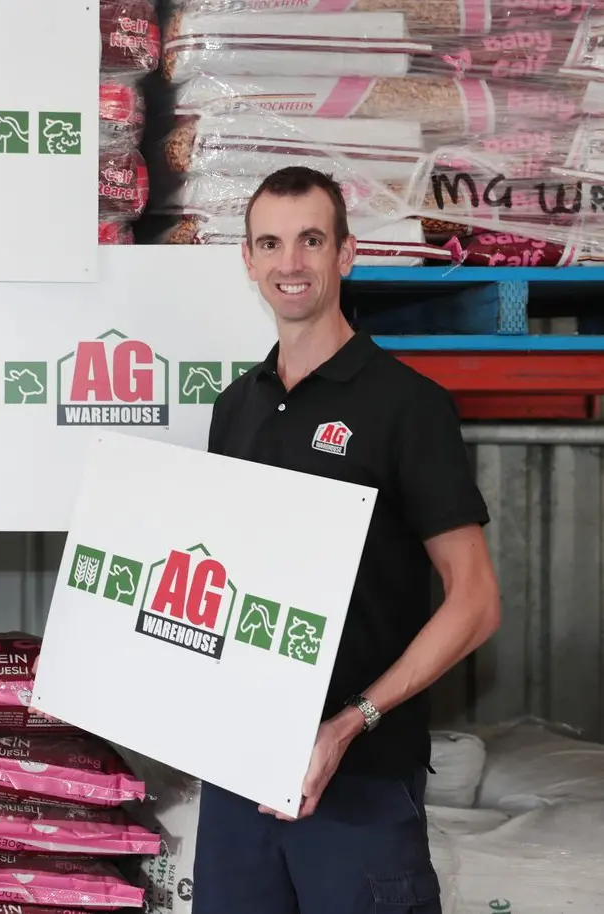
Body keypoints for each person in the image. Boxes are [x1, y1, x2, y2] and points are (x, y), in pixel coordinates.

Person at [193, 165, 502, 913]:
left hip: (359, 780)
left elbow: (475, 602)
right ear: (247, 260)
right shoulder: (235, 407)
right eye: (269, 243)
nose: (289, 263)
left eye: (309, 240)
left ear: (345, 254)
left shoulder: (407, 406)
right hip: (241, 778)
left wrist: (343, 727)